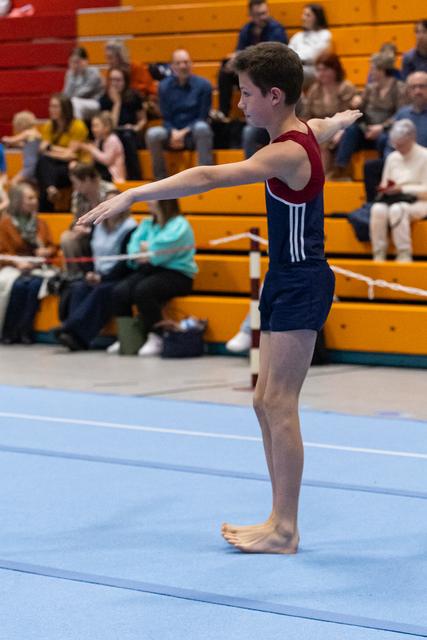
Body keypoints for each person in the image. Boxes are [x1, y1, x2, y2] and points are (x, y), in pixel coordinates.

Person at [79, 42, 361, 554]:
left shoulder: (285, 152)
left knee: (280, 404)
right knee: (262, 399)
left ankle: (286, 530)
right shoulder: (302, 132)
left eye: (248, 94)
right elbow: (321, 125)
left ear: (275, 96)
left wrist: (134, 193)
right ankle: (277, 517)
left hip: (303, 281)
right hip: (285, 278)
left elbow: (208, 177)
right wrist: (340, 118)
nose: (239, 104)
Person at [106, 199, 197, 357]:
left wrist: (148, 249)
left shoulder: (180, 225)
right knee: (120, 291)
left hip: (178, 273)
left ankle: (157, 335)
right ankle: (128, 338)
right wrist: (146, 250)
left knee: (144, 290)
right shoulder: (147, 223)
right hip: (151, 269)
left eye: (152, 199)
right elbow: (133, 248)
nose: (148, 202)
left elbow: (162, 250)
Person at [55, 196, 137, 351]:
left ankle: (71, 330)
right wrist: (89, 272)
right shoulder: (97, 226)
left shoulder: (130, 228)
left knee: (103, 290)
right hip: (97, 274)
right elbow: (89, 253)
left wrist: (103, 277)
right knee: (78, 287)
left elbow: (126, 261)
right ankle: (75, 338)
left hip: (118, 276)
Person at [329, 51, 407, 180]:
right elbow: (359, 111)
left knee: (385, 138)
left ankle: (385, 173)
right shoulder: (370, 89)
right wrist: (355, 104)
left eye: (373, 69)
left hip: (386, 129)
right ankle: (340, 169)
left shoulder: (399, 88)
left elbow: (400, 114)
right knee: (350, 130)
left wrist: (382, 127)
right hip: (367, 129)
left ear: (382, 70)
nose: (370, 72)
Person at [0, 182, 57, 343]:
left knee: (34, 285)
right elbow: (2, 252)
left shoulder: (40, 223)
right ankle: (9, 331)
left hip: (37, 267)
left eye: (35, 198)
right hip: (13, 266)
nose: (34, 201)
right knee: (17, 286)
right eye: (29, 198)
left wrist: (46, 251)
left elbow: (52, 247)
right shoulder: (5, 223)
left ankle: (25, 330)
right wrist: (17, 263)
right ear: (18, 200)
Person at [214, 0, 288, 122]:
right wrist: (232, 61)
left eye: (265, 13)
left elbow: (274, 57)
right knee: (225, 71)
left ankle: (256, 113)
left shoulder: (276, 29)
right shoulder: (246, 29)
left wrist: (245, 57)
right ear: (251, 15)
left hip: (269, 73)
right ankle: (223, 113)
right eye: (259, 14)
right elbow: (240, 51)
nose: (263, 17)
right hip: (250, 70)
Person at [145, 49, 213, 180]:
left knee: (202, 128)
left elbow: (203, 117)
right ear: (172, 66)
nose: (183, 66)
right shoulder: (163, 87)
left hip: (193, 133)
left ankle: (204, 177)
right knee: (152, 134)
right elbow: (166, 117)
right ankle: (160, 179)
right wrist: (173, 132)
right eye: (178, 63)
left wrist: (182, 133)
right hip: (172, 133)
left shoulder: (204, 85)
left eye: (186, 62)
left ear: (191, 64)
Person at [363, 71, 427, 202]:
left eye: (422, 86)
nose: (418, 91)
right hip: (402, 159)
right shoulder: (402, 113)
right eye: (413, 87)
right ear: (408, 91)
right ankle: (374, 204)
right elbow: (389, 135)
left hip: (423, 162)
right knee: (371, 167)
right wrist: (392, 161)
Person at [369, 119, 427, 262]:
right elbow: (385, 182)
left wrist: (403, 188)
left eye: (401, 144)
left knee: (397, 209)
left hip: (419, 201)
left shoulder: (425, 156)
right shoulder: (392, 157)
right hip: (394, 198)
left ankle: (404, 253)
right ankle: (378, 253)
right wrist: (386, 189)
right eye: (395, 144)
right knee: (377, 209)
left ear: (412, 138)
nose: (397, 147)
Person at [303, 52, 357, 173]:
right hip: (318, 128)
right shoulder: (314, 90)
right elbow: (306, 115)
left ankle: (325, 178)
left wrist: (341, 130)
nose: (321, 74)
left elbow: (351, 114)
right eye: (318, 70)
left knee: (324, 141)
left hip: (340, 128)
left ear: (335, 70)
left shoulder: (346, 87)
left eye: (325, 69)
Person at [60, 163, 118, 276]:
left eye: (75, 183)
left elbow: (115, 220)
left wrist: (90, 230)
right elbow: (75, 220)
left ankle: (101, 273)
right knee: (67, 238)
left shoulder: (109, 191)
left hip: (108, 232)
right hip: (87, 233)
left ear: (86, 180)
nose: (74, 187)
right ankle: (75, 275)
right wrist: (78, 228)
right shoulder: (77, 195)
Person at [35, 93, 89, 211]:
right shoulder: (49, 125)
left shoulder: (77, 125)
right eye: (50, 106)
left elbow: (70, 155)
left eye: (55, 107)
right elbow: (42, 148)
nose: (51, 110)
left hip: (72, 167)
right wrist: (57, 151)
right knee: (43, 163)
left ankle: (48, 200)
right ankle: (51, 190)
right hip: (53, 166)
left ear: (65, 108)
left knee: (44, 167)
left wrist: (50, 149)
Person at [99, 67, 146, 180]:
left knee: (126, 136)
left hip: (131, 134)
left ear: (125, 81)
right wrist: (117, 103)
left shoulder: (134, 96)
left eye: (118, 80)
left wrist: (135, 127)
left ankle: (135, 178)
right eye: (112, 80)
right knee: (113, 138)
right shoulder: (104, 99)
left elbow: (143, 120)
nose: (115, 83)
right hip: (112, 133)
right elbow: (110, 126)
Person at [104, 39, 159, 118]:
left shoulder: (136, 67)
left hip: (137, 106)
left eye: (110, 58)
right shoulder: (110, 72)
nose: (108, 61)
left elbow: (152, 90)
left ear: (119, 56)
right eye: (106, 58)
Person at [72, 111, 126, 183]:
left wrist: (91, 149)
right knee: (80, 170)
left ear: (107, 127)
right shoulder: (99, 140)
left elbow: (107, 160)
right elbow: (94, 160)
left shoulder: (112, 139)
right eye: (92, 126)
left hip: (113, 176)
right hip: (102, 173)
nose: (93, 129)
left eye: (96, 126)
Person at [288, 4, 332, 89]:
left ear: (317, 18)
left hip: (314, 69)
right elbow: (288, 54)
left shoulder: (325, 35)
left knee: (289, 74)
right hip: (296, 67)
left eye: (308, 15)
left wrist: (296, 57)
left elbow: (313, 56)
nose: (303, 18)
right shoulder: (298, 36)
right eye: (303, 14)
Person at [62, 47, 104, 121]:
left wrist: (73, 78)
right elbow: (66, 94)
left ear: (85, 61)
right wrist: (72, 76)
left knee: (74, 103)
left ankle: (77, 129)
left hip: (95, 103)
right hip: (77, 102)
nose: (75, 65)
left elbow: (82, 93)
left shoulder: (94, 73)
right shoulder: (70, 74)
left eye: (77, 62)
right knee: (61, 104)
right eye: (72, 62)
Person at [2, 110, 41, 185]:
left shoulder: (28, 133)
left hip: (29, 166)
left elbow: (10, 140)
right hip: (33, 166)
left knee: (14, 182)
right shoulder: (34, 134)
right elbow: (27, 146)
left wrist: (5, 139)